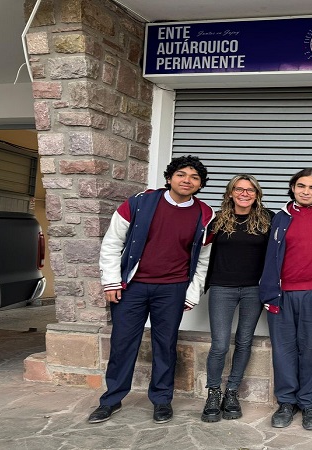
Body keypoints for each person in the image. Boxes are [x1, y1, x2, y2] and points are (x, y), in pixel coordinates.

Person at [88, 155, 214, 424]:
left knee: (165, 345)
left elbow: (203, 259)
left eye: (194, 177)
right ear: (169, 178)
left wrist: (192, 293)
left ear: (200, 185)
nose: (187, 180)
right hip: (132, 287)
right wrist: (111, 282)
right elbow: (112, 243)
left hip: (172, 289)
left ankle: (161, 399)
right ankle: (111, 400)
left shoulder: (205, 214)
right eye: (181, 175)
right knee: (122, 343)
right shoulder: (139, 203)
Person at [259, 168, 312, 431]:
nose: (306, 191)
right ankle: (286, 402)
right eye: (301, 186)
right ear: (293, 188)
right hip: (282, 293)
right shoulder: (280, 217)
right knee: (283, 349)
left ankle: (308, 403)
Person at [200, 174, 274, 422]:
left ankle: (231, 392)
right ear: (230, 193)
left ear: (257, 194)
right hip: (222, 288)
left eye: (250, 190)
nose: (244, 194)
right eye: (239, 189)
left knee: (244, 341)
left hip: (254, 289)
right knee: (220, 344)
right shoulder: (217, 220)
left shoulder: (267, 219)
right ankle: (213, 393)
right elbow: (199, 251)